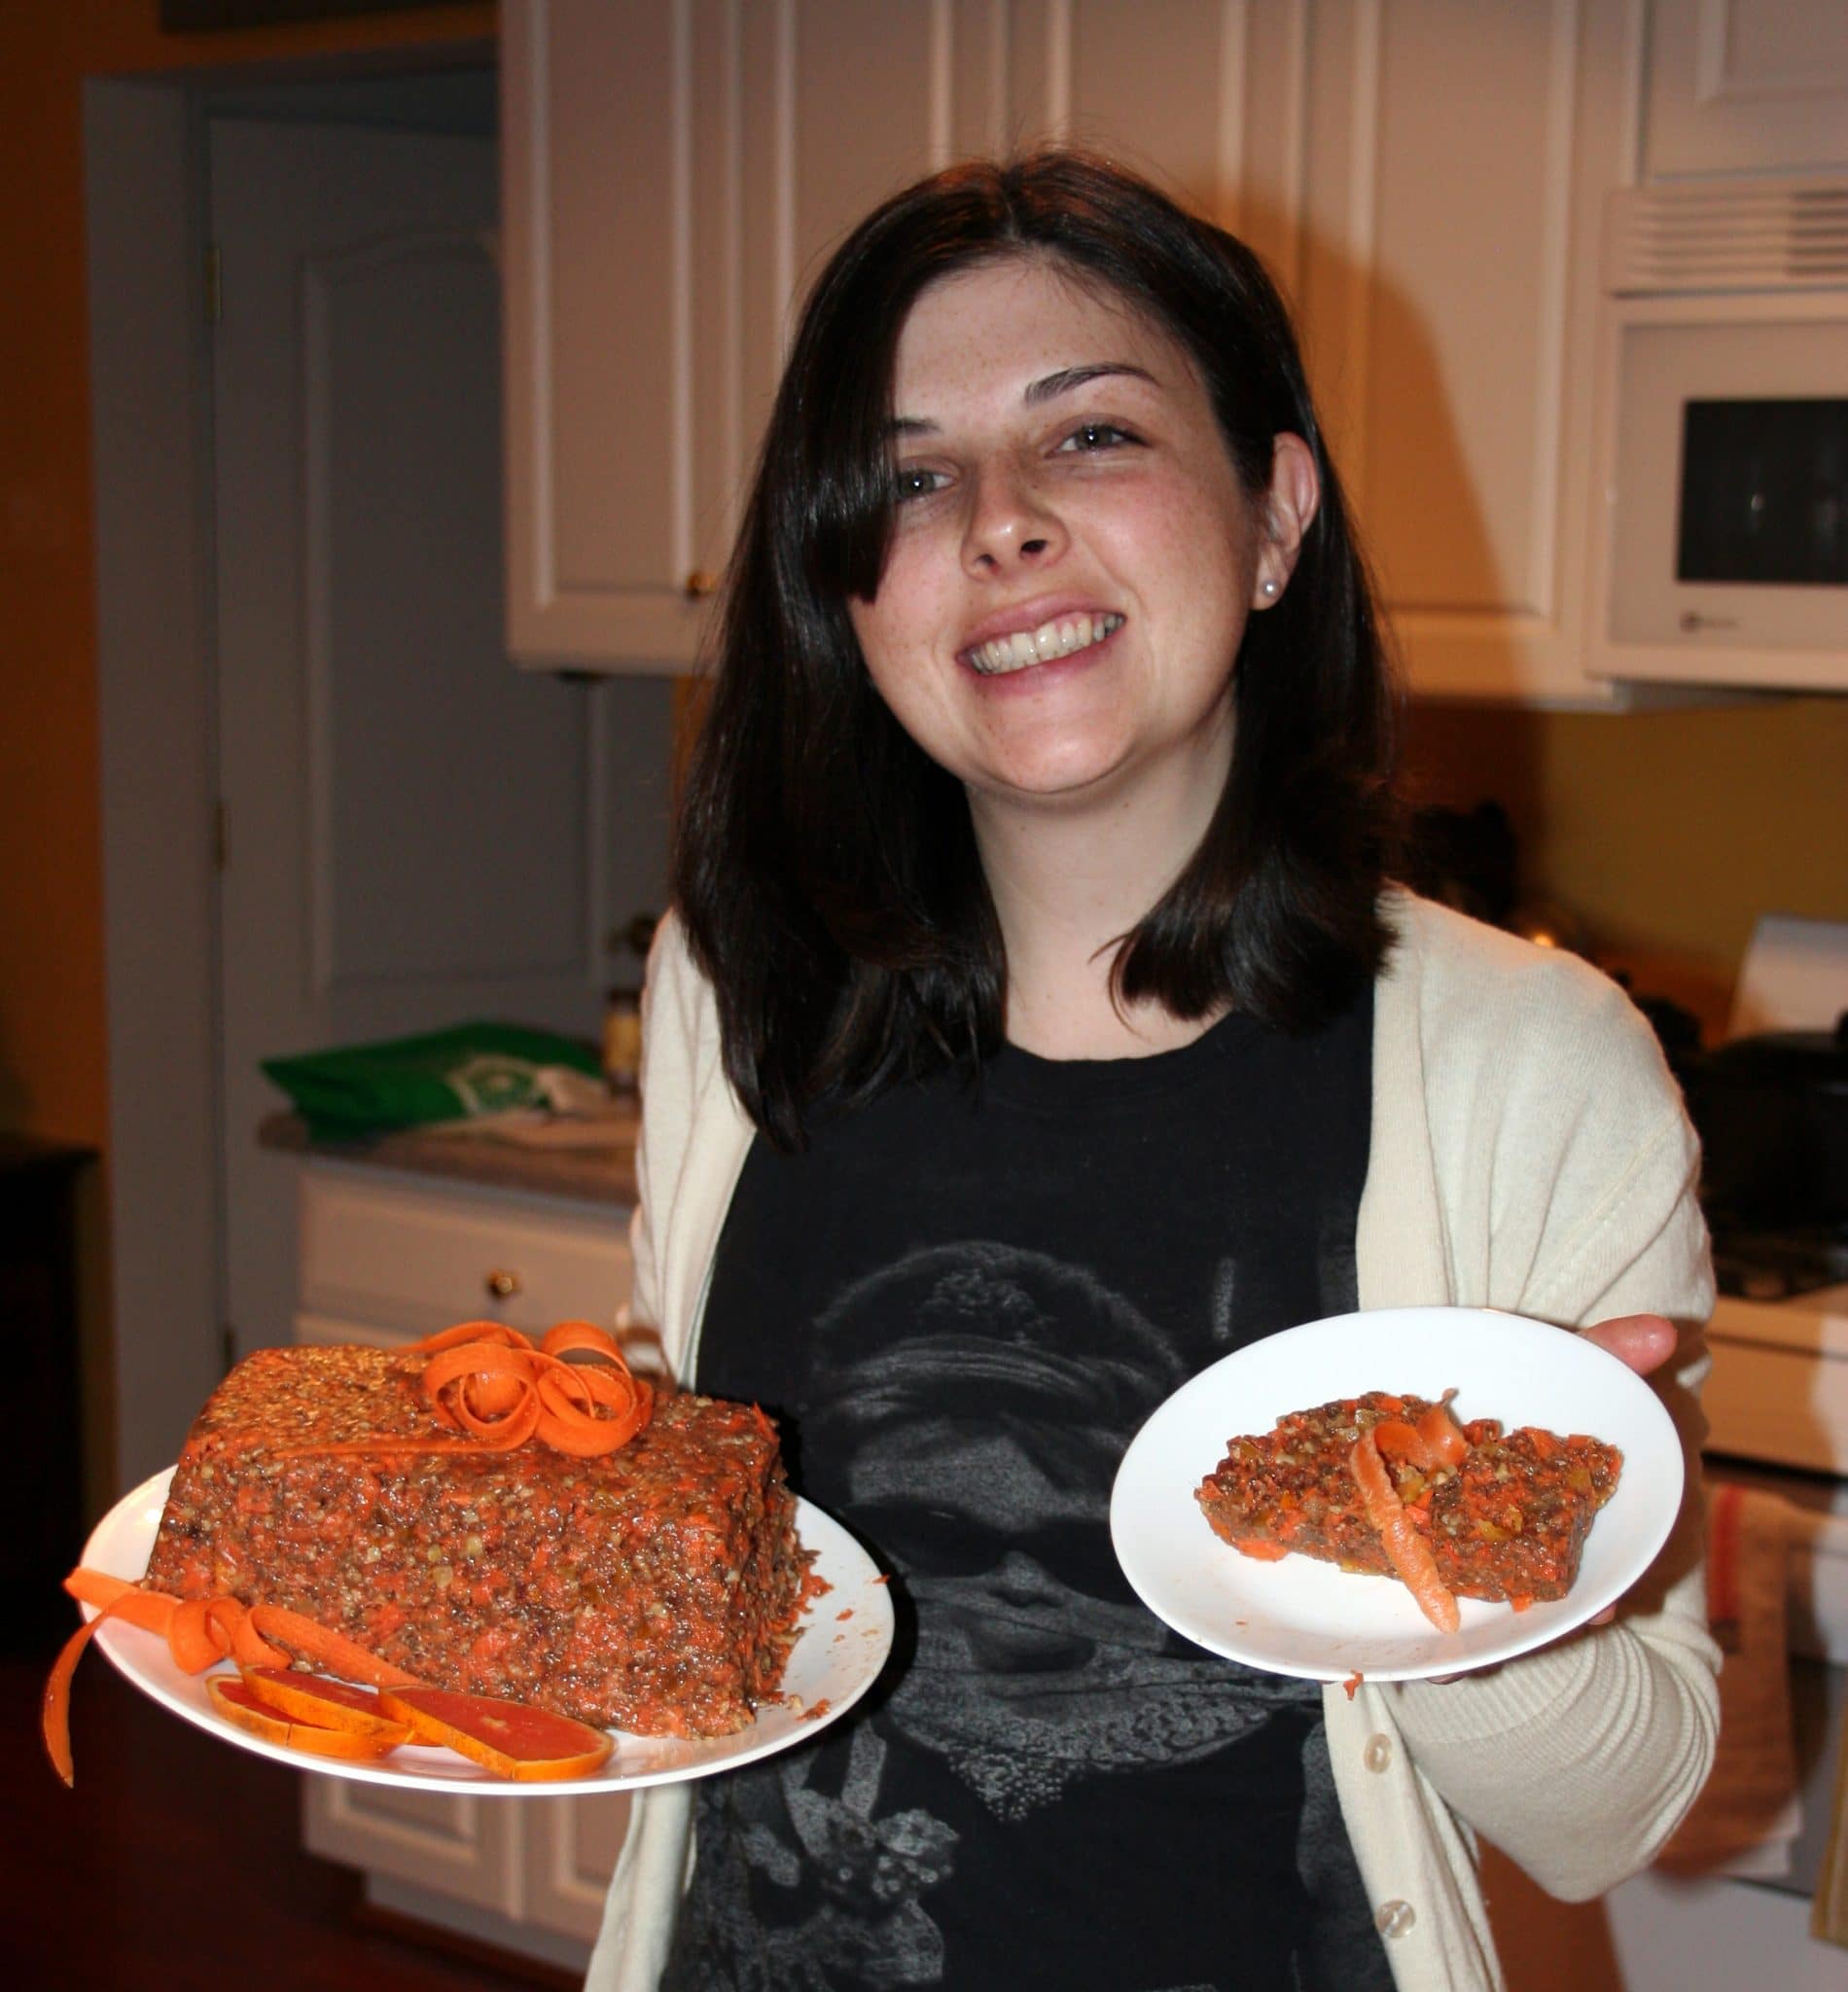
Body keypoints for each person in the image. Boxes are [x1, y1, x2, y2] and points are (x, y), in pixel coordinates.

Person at [586, 150, 1718, 1992]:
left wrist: (1490, 1574)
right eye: (910, 475)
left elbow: (1612, 1815)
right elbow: (692, 1561)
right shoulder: (737, 990)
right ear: (846, 585)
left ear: (1277, 515)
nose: (1002, 524)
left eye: (1093, 436)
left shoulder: (1534, 1062)